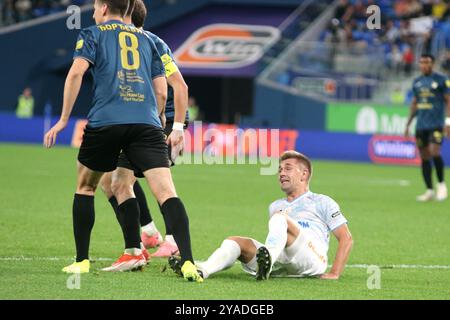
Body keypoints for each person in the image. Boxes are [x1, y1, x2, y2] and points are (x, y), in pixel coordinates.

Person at [44, 0, 202, 282]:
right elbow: (164, 91)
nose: (93, 12)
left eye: (94, 6)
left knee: (88, 186)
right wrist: (166, 123)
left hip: (108, 119)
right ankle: (186, 260)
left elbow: (76, 73)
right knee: (162, 192)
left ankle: (84, 261)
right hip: (148, 122)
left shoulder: (93, 33)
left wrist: (64, 119)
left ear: (104, 8)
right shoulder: (153, 41)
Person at [98, 0, 189, 266]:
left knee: (158, 184)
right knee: (111, 182)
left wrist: (175, 127)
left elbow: (177, 88)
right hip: (141, 120)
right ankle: (146, 235)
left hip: (163, 119)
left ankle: (173, 241)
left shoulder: (151, 43)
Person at [170, 151, 353, 280]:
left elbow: (346, 238)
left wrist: (335, 273)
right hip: (282, 261)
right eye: (280, 169)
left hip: (313, 258)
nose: (281, 173)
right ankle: (202, 270)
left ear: (304, 174)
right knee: (236, 242)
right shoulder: (275, 205)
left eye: (287, 168)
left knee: (280, 218)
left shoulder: (322, 201)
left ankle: (268, 262)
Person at [405, 54, 450, 202]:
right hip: (421, 125)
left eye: (427, 62)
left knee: (434, 151)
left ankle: (442, 185)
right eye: (422, 62)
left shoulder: (442, 80)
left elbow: (448, 101)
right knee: (424, 156)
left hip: (436, 124)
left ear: (433, 64)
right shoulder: (417, 82)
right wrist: (408, 123)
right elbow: (415, 103)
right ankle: (429, 190)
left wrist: (448, 122)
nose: (424, 65)